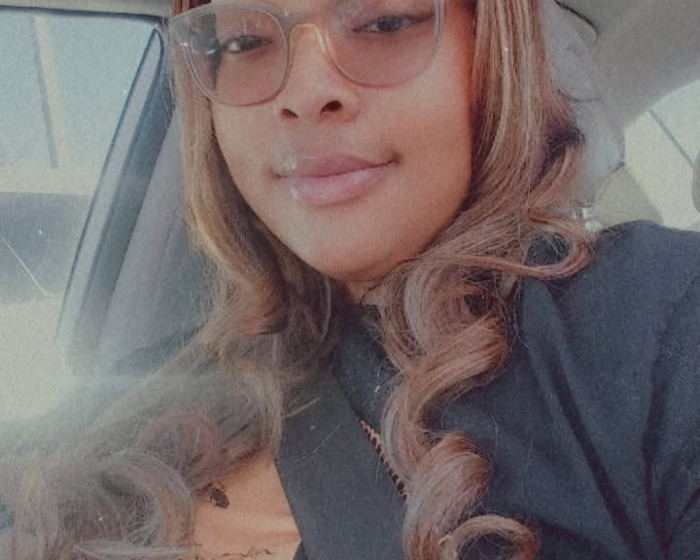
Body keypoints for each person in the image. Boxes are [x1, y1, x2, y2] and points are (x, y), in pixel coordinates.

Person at [1, 0, 699, 558]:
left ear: (492, 48)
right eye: (244, 41)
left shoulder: (658, 323)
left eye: (384, 22)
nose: (304, 94)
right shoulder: (133, 394)